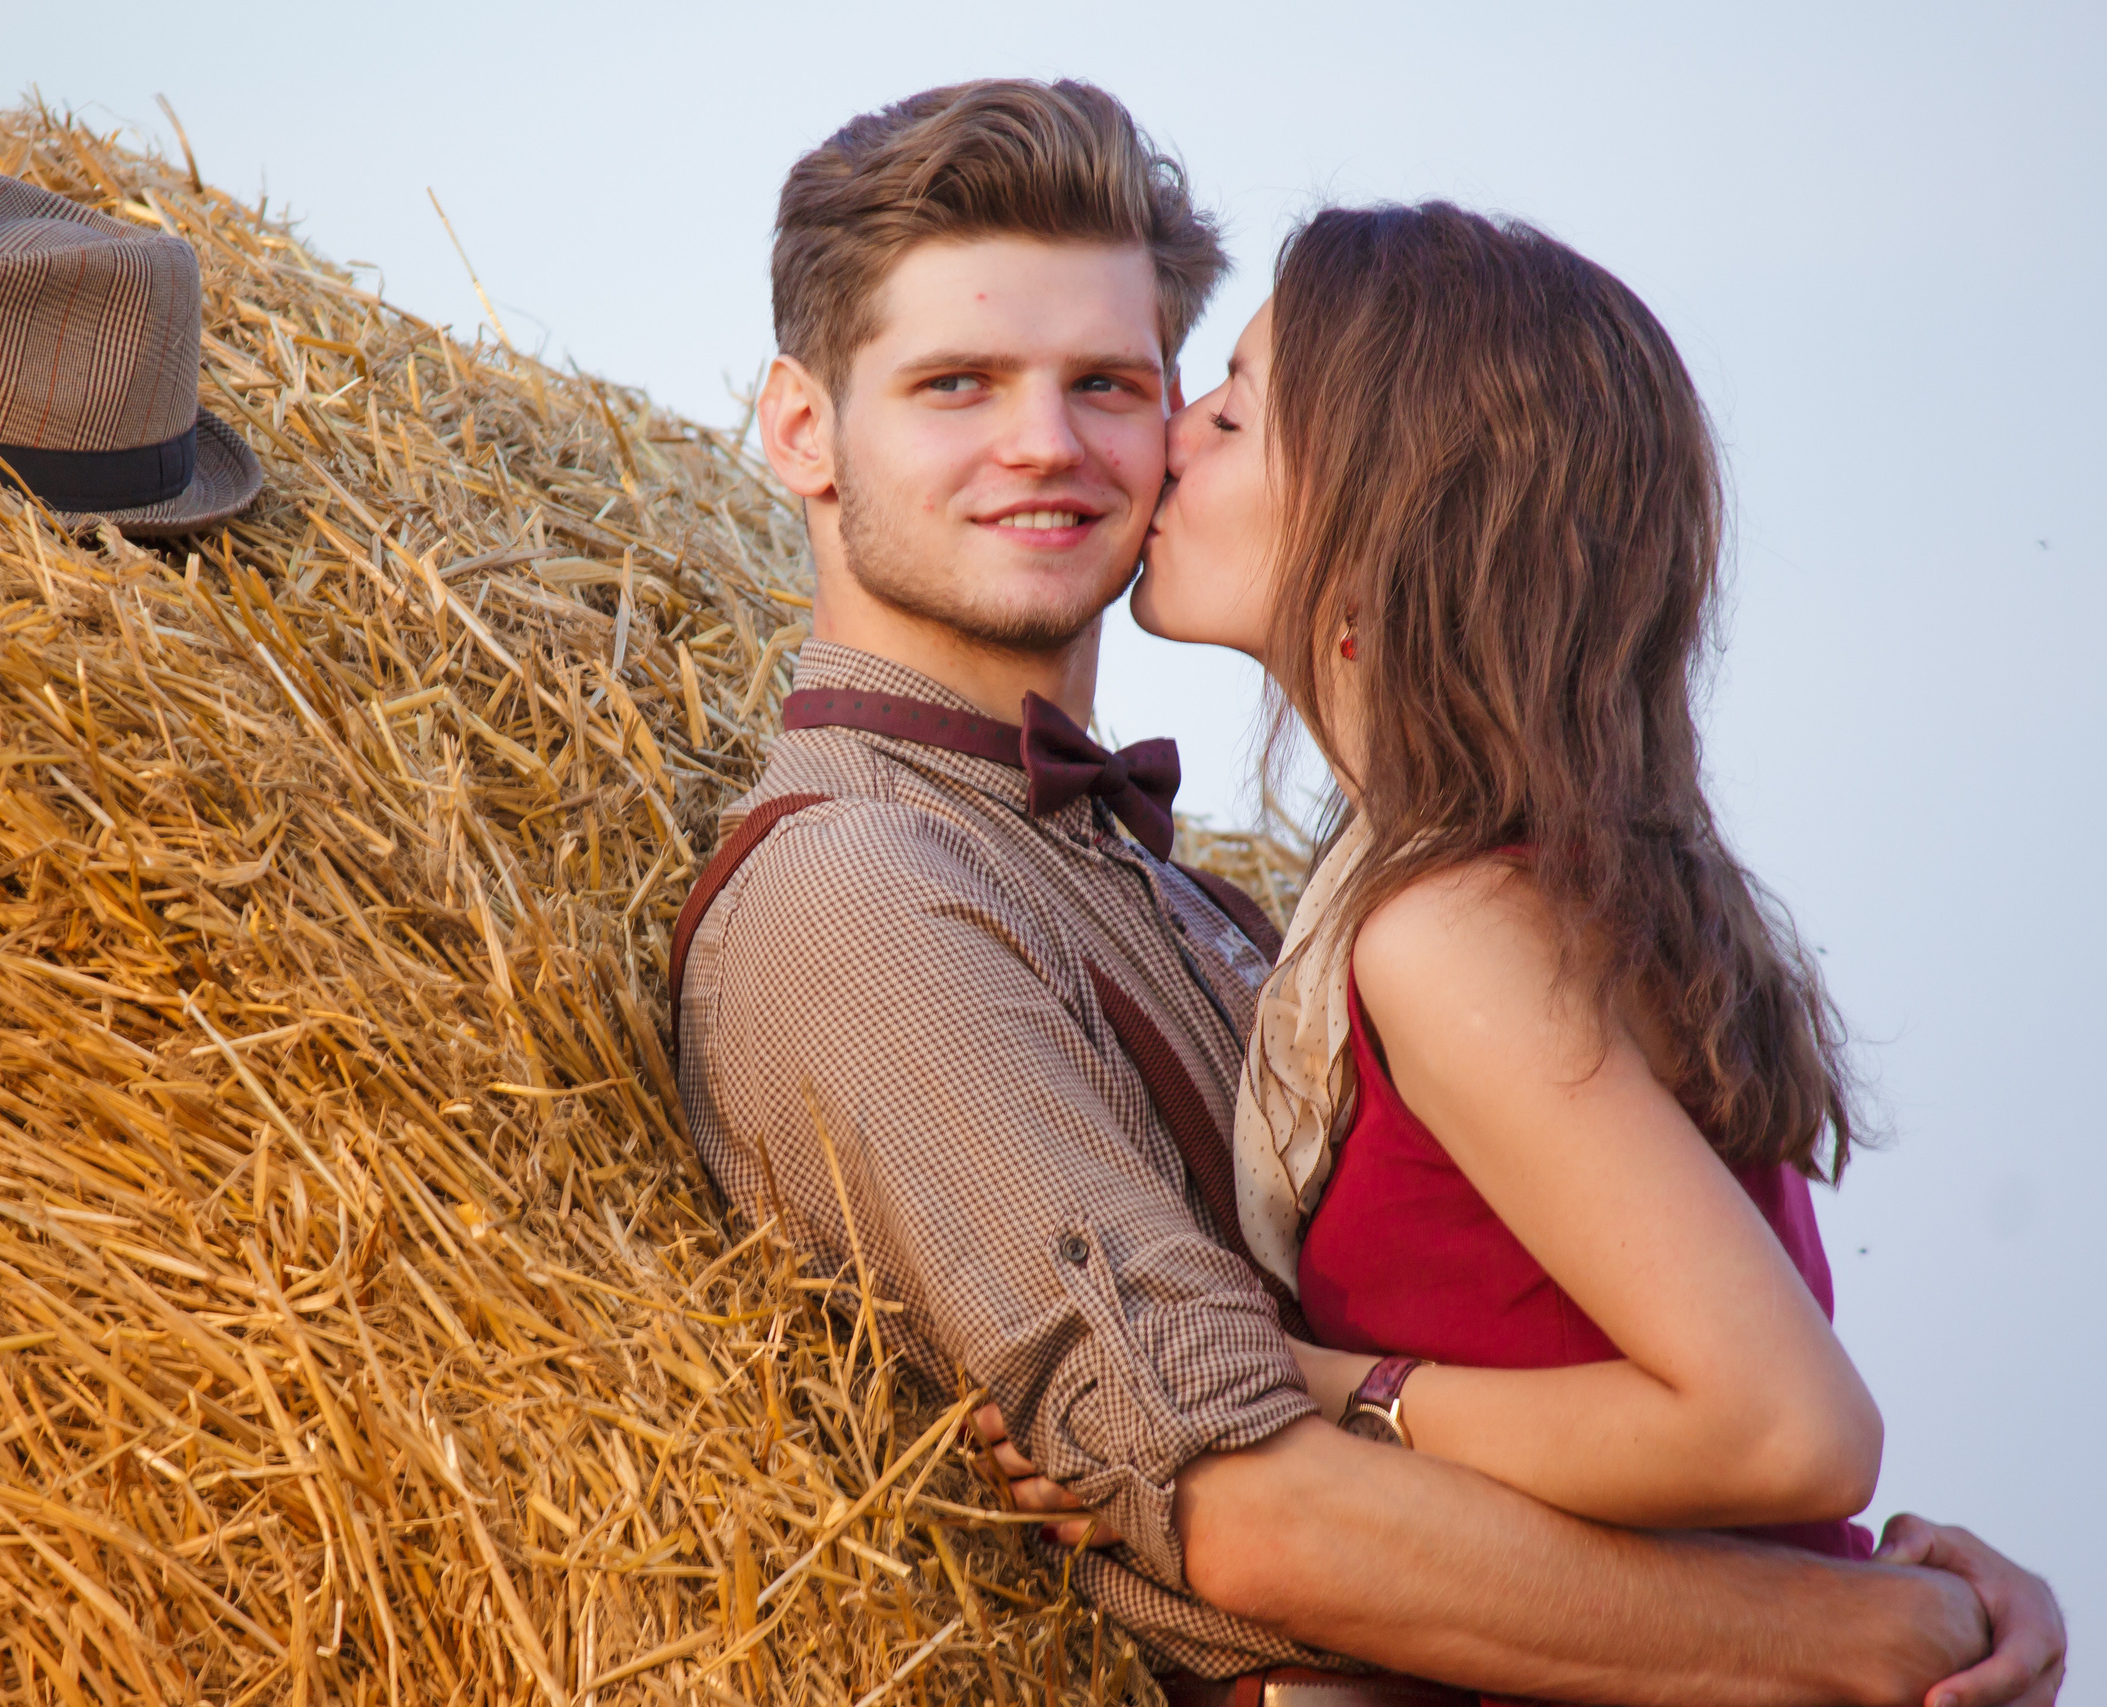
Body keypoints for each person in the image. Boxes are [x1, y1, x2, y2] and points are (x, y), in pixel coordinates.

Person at [672, 76, 2066, 1705]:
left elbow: (1597, 1362)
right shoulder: (862, 893)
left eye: (1113, 385)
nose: (1047, 443)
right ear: (797, 430)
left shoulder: (1247, 903)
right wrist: (1854, 1636)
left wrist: (1903, 1566)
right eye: (957, 382)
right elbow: (1242, 1505)